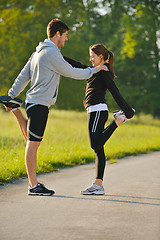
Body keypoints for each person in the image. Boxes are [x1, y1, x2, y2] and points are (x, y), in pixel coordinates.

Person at [0, 19, 108, 196]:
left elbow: (23, 76)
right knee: (33, 143)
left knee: (31, 138)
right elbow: (72, 72)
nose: (66, 39)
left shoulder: (38, 53)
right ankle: (33, 186)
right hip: (40, 103)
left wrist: (11, 95)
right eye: (65, 35)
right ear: (58, 33)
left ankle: (15, 108)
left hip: (35, 102)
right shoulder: (51, 53)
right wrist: (94, 70)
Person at [63, 44, 135, 195]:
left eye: (92, 56)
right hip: (94, 111)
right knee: (98, 149)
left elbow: (115, 92)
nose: (90, 59)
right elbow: (78, 65)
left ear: (101, 56)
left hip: (98, 111)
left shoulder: (104, 72)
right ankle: (98, 184)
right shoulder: (96, 70)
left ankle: (119, 119)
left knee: (95, 144)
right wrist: (56, 56)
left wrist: (127, 111)